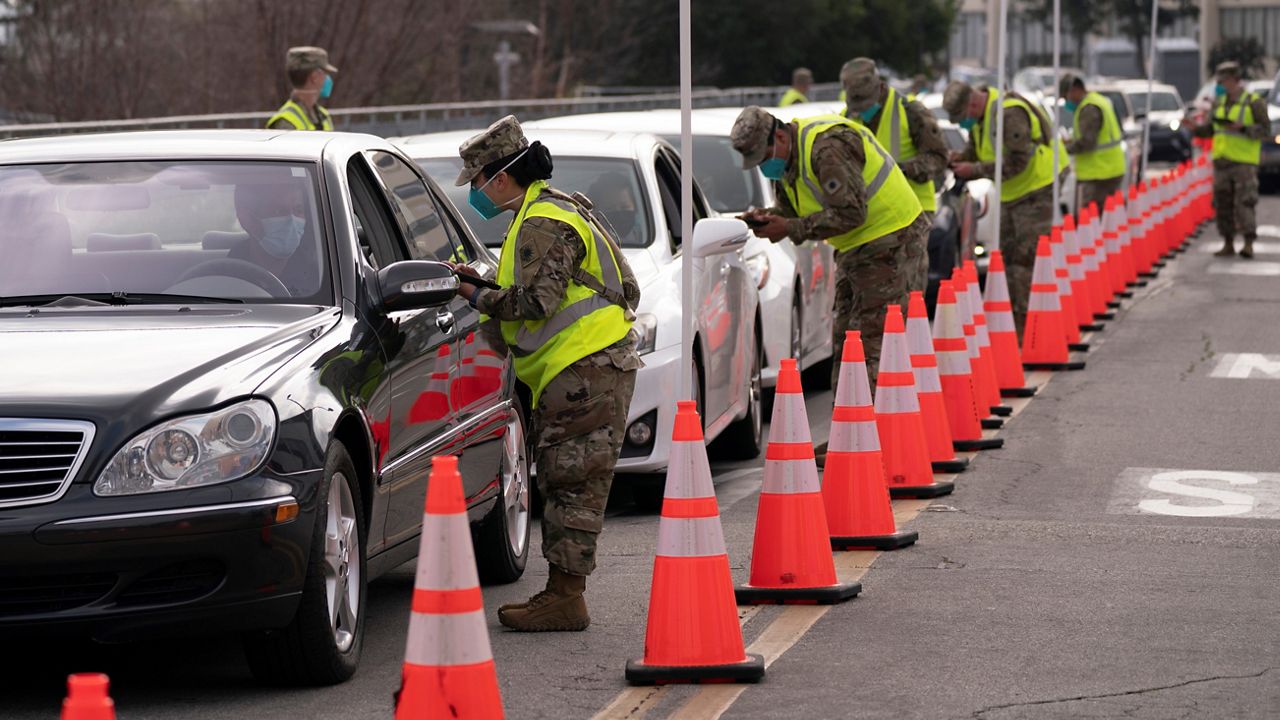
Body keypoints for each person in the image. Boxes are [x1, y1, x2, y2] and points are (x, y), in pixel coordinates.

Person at [452, 115, 641, 632]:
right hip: (588, 366)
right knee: (568, 478)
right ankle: (563, 592)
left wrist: (474, 294)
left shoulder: (542, 221)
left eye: (477, 183)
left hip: (583, 368)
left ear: (500, 177)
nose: (477, 194)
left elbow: (536, 302)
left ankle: (565, 597)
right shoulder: (552, 207)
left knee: (571, 480)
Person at [730, 106, 926, 399]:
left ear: (780, 136)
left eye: (764, 158)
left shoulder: (826, 148)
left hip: (891, 237)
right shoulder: (788, 161)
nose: (763, 167)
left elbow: (851, 212)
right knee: (847, 339)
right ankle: (848, 434)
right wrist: (770, 218)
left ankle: (871, 436)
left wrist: (790, 227)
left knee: (871, 342)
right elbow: (796, 211)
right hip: (857, 246)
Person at [945, 80, 1064, 337]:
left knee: (1024, 262)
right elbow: (978, 151)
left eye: (962, 117)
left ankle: (1032, 332)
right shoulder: (982, 117)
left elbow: (1018, 161)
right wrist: (960, 158)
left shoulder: (1008, 114)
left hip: (1035, 191)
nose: (962, 124)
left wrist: (974, 170)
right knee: (1007, 259)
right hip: (1012, 194)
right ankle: (1014, 329)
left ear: (973, 103)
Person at [842, 57, 947, 293]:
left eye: (865, 102)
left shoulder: (910, 112)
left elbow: (938, 158)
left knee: (908, 288)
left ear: (880, 86)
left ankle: (910, 330)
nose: (862, 110)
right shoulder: (847, 118)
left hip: (912, 213)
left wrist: (900, 170)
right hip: (868, 220)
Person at [1193, 61, 1269, 258]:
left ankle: (1248, 243)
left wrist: (1242, 128)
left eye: (1224, 81)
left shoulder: (1254, 102)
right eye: (1219, 81)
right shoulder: (1218, 102)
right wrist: (1193, 127)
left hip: (1244, 162)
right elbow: (1211, 130)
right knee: (1222, 203)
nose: (1221, 85)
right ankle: (1228, 241)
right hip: (1222, 161)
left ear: (1235, 80)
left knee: (1245, 202)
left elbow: (1266, 130)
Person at [229, 180, 317, 295]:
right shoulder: (225, 272)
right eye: (279, 211)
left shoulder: (320, 277)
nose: (292, 220)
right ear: (247, 219)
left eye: (298, 210)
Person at [1059, 73, 1126, 213]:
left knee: (1092, 217)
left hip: (1099, 174)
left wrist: (1063, 149)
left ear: (1075, 90)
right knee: (1107, 216)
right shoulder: (1098, 101)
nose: (1066, 102)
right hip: (1108, 170)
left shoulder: (1089, 108)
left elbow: (1087, 142)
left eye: (1066, 97)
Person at [267, 46, 338, 131]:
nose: (327, 78)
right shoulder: (285, 121)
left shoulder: (324, 116)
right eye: (325, 73)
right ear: (314, 77)